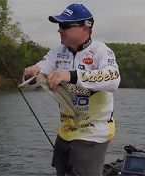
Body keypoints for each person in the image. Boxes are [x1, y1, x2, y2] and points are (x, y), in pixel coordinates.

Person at [23, 3, 120, 176]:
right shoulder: (57, 52)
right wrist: (30, 74)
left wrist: (71, 75)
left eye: (65, 26)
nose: (60, 30)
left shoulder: (101, 51)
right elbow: (35, 77)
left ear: (85, 27)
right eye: (59, 26)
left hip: (94, 130)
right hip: (66, 129)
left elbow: (113, 78)